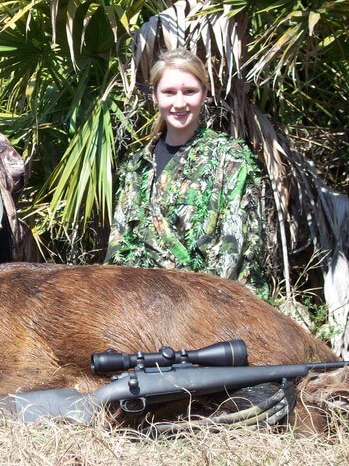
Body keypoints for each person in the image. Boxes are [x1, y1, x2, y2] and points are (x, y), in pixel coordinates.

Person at [105, 48, 268, 294]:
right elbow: (118, 249)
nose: (179, 103)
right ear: (155, 96)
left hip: (207, 305)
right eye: (169, 92)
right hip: (139, 305)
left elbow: (234, 254)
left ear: (204, 93)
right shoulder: (137, 166)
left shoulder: (229, 159)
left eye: (189, 91)